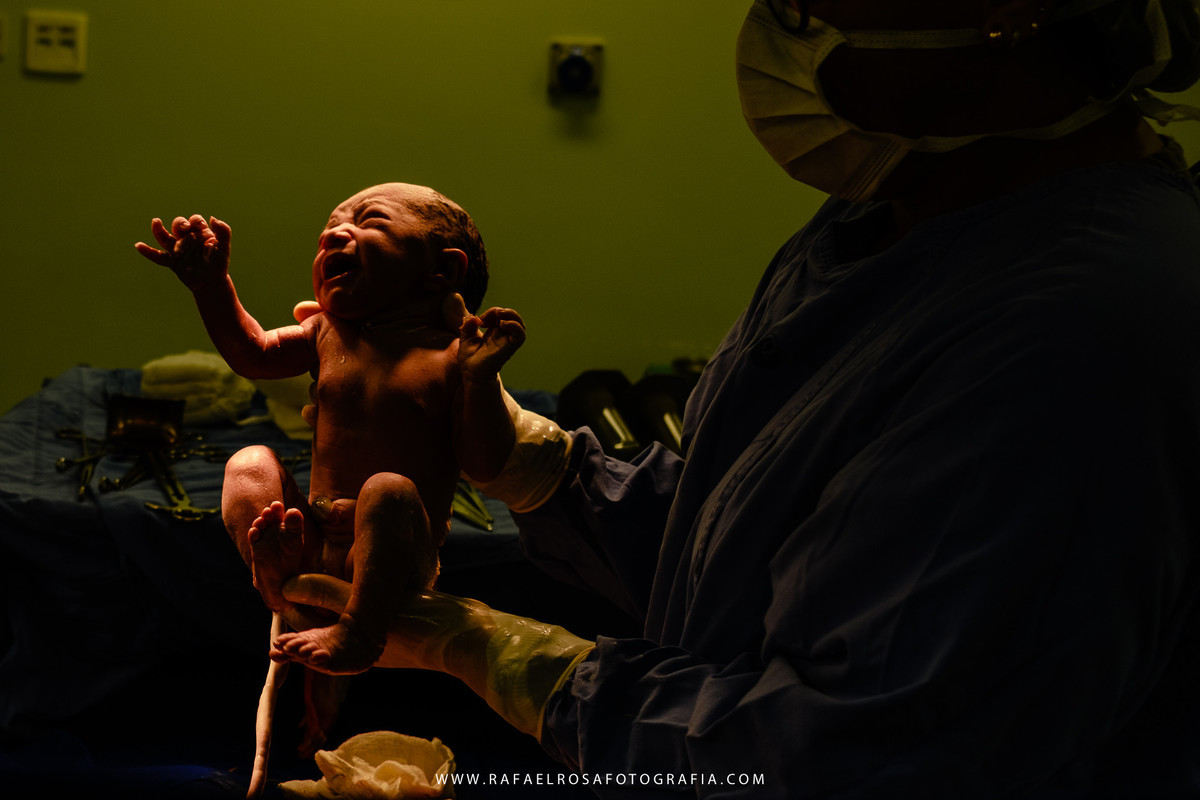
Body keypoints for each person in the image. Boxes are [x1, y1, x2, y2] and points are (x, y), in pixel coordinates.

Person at [276, 0, 1200, 795]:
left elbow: (860, 762)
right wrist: (530, 461)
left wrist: (508, 657)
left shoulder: (1076, 332)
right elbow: (745, 540)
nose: (782, 22)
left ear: (1012, 20)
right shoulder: (891, 213)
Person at [134, 183, 525, 745]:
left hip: (394, 551)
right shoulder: (327, 333)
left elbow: (485, 463)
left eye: (371, 222)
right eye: (330, 228)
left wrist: (482, 378)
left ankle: (360, 632)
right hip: (309, 535)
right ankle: (270, 574)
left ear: (442, 272)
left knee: (388, 489)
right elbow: (253, 354)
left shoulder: (452, 357)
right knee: (248, 463)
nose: (334, 234)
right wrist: (211, 285)